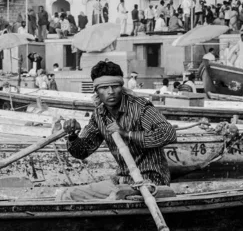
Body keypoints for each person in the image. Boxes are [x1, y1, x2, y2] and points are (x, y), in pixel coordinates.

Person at [58, 61, 177, 201]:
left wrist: (126, 133)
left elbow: (169, 133)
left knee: (113, 199)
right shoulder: (99, 115)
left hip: (151, 182)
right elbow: (82, 151)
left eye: (114, 86)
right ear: (96, 90)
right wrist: (72, 136)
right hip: (121, 182)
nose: (110, 92)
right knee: (66, 195)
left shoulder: (140, 107)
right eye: (104, 88)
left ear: (121, 87)